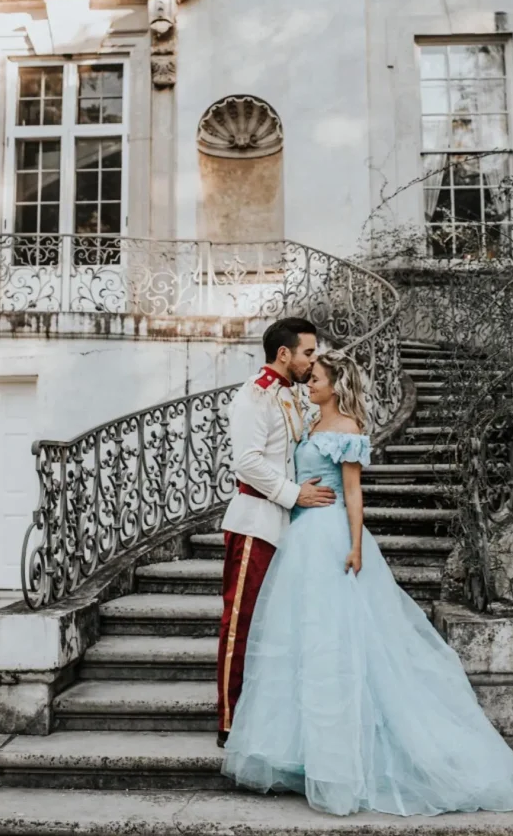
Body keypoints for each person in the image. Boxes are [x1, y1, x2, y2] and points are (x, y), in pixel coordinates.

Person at [222, 350, 513, 818]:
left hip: (329, 538)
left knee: (336, 641)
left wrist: (356, 546)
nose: (310, 382)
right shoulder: (309, 423)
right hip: (301, 536)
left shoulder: (345, 430)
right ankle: (305, 754)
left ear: (335, 384)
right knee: (305, 643)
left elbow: (352, 492)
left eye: (317, 377)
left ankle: (342, 762)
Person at [216, 317, 336, 750]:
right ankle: (229, 721)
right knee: (241, 624)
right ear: (283, 354)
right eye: (308, 352)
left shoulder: (291, 397)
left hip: (288, 529)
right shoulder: (255, 395)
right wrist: (294, 494)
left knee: (278, 627)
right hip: (255, 524)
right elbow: (247, 462)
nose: (312, 360)